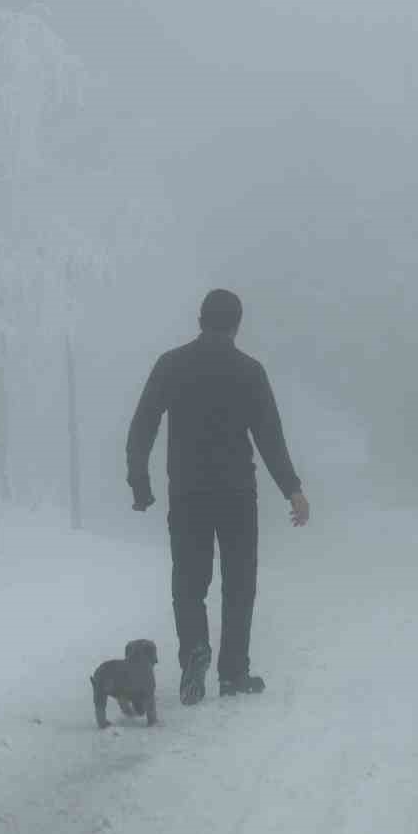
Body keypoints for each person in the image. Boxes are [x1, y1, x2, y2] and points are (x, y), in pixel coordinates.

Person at [126, 289, 311, 705]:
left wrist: (140, 481)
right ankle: (233, 673)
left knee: (188, 584)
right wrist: (293, 489)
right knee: (239, 584)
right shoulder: (249, 371)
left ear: (199, 320)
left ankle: (194, 650)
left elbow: (142, 426)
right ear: (237, 324)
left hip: (188, 492)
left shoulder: (171, 365)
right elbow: (269, 437)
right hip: (237, 495)